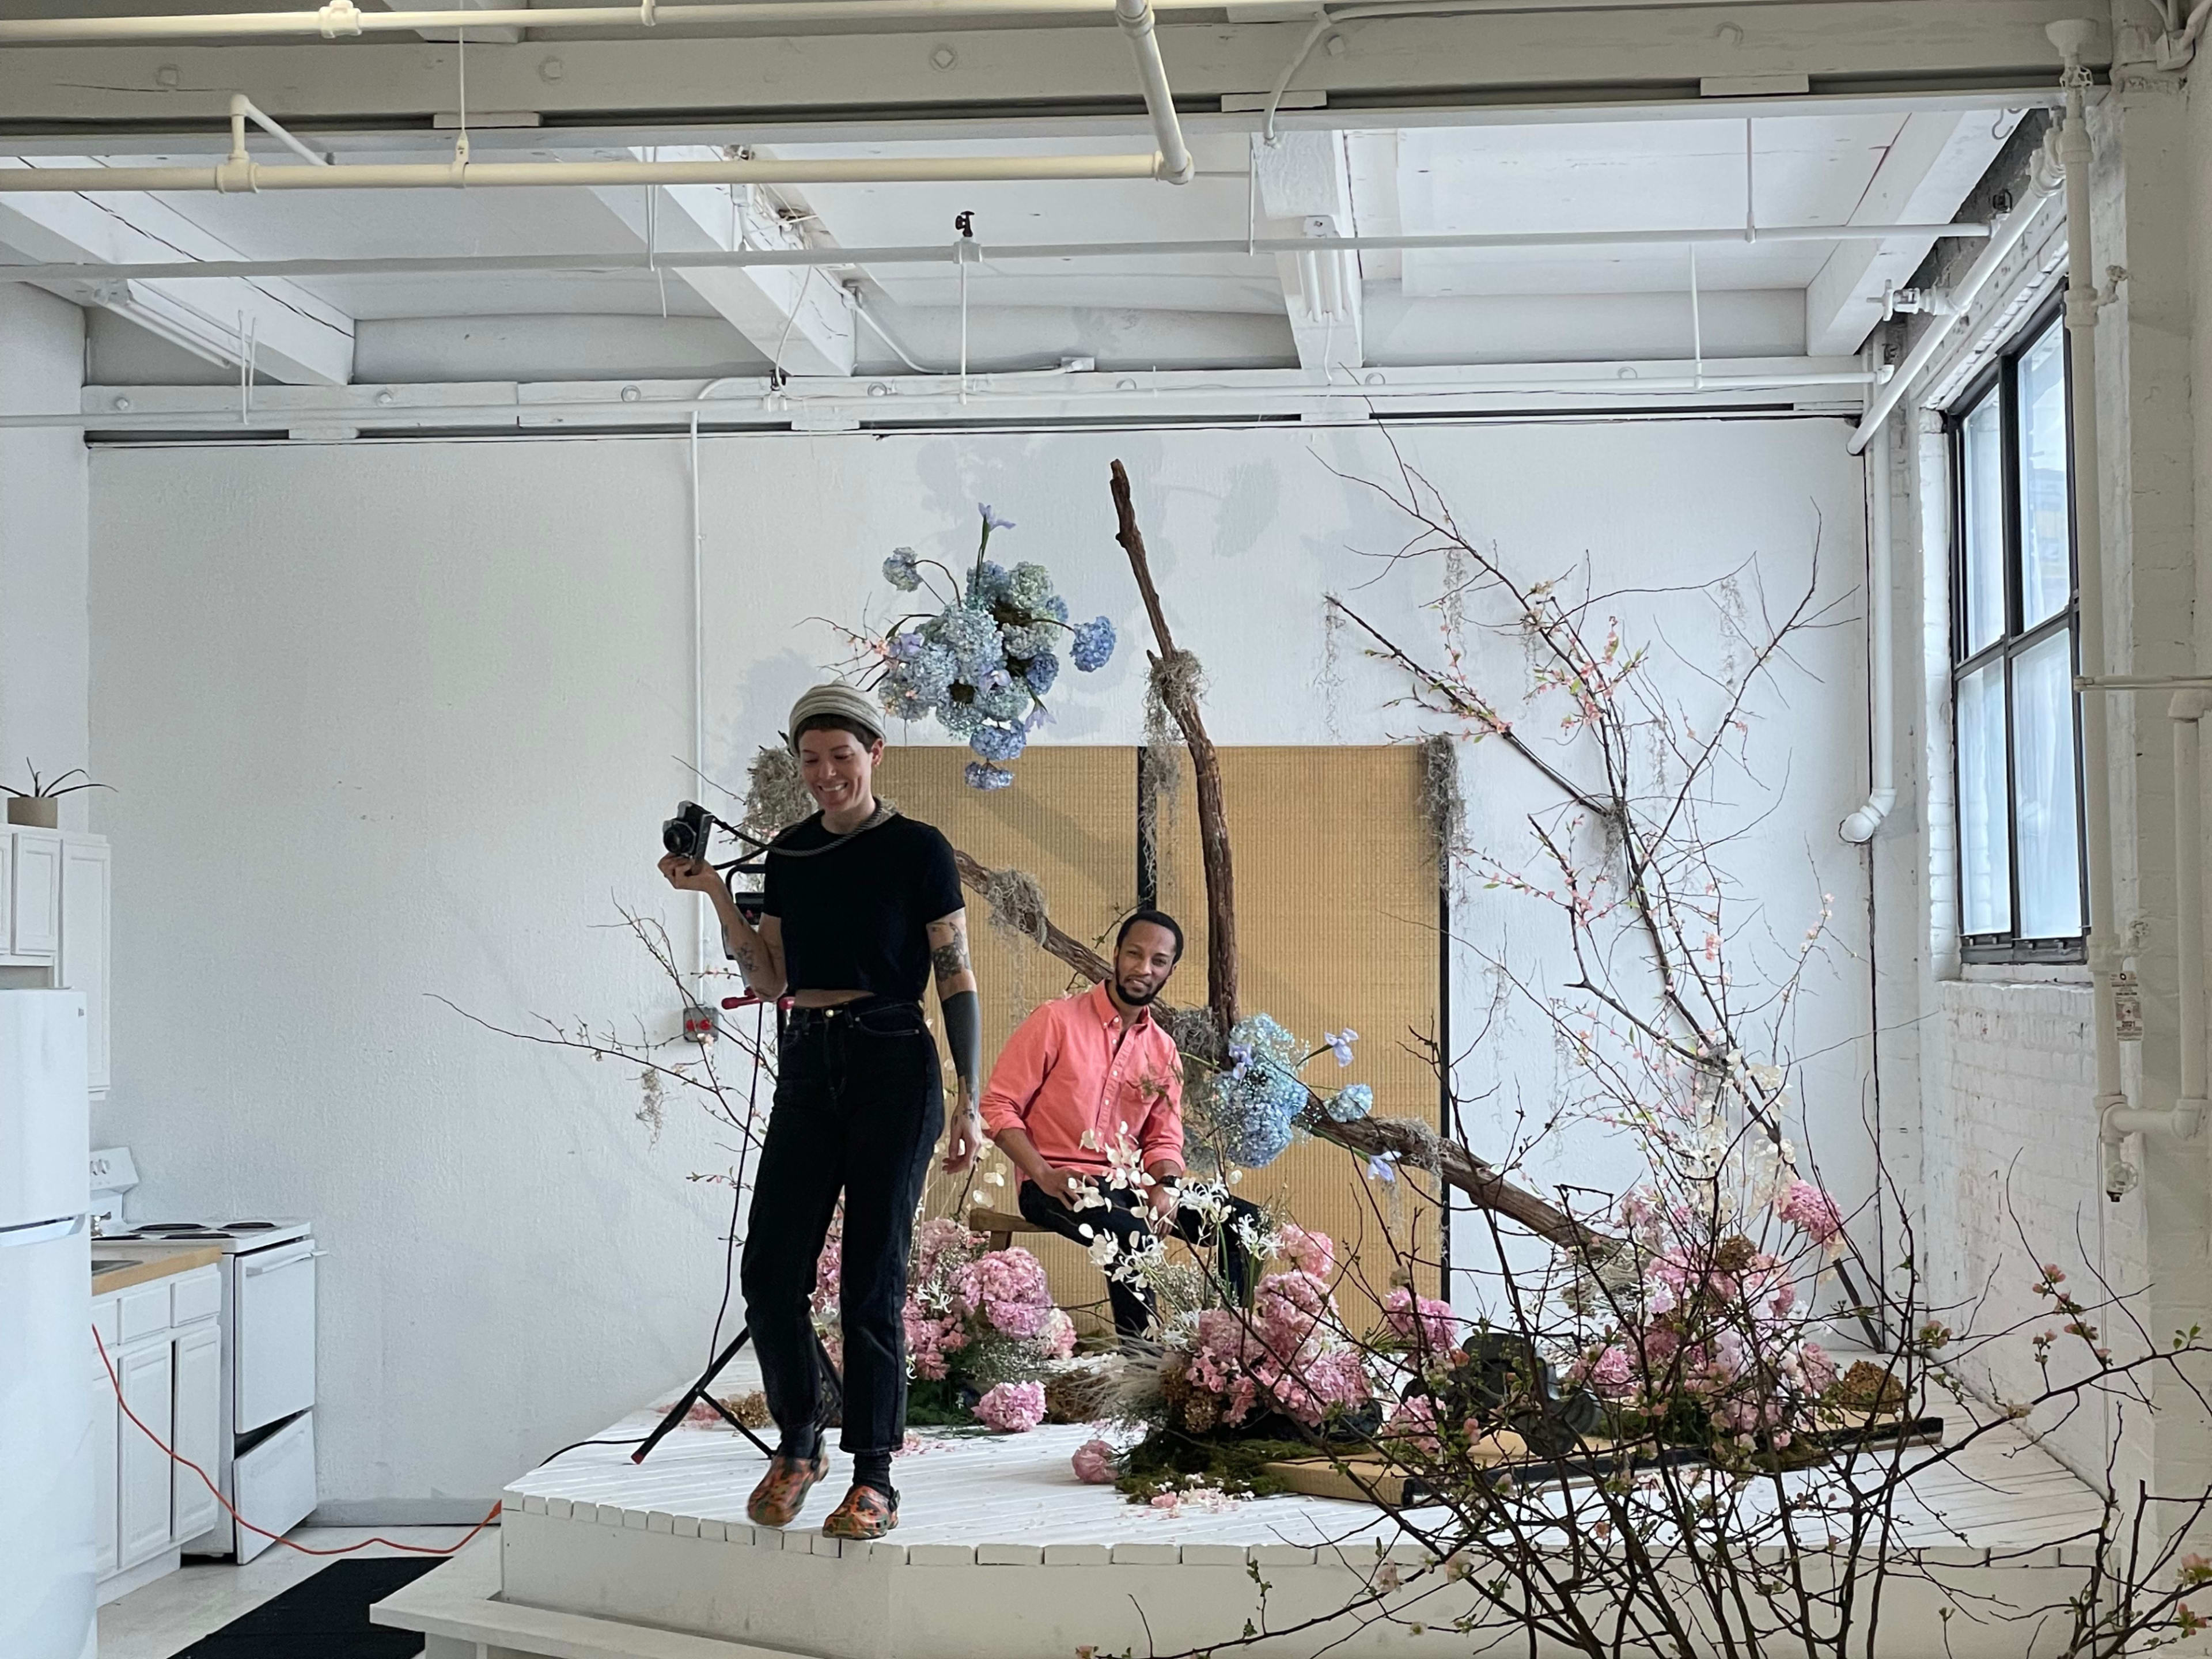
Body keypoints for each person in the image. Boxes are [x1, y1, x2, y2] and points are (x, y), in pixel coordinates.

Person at [658, 682, 984, 1543]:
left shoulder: (920, 849)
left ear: (875, 753)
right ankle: (799, 1445)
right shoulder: (787, 854)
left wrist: (970, 1099)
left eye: (842, 755)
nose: (827, 773)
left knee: (873, 1279)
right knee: (769, 1273)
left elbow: (956, 974)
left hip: (893, 1061)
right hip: (808, 1063)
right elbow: (766, 978)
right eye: (811, 759)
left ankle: (875, 1475)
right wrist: (714, 895)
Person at [980, 908, 1261, 1346]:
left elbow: (1164, 1138)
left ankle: (1227, 1353)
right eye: (1134, 954)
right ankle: (1144, 1368)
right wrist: (1043, 1173)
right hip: (1057, 1183)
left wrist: (1166, 1185)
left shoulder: (1163, 1049)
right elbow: (998, 1105)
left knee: (1244, 1222)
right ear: (1116, 954)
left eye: (1158, 961)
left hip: (1129, 1184)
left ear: (1170, 969)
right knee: (1131, 1237)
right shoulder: (1055, 1021)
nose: (1143, 968)